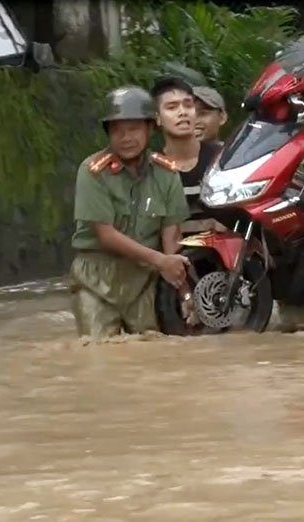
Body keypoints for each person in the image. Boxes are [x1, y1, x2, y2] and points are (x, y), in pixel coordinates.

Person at [69, 86, 192, 338]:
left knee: (154, 346)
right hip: (96, 279)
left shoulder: (166, 173)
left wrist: (185, 294)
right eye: (117, 130)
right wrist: (161, 261)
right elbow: (106, 235)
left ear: (150, 128)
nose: (126, 138)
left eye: (134, 129)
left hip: (145, 279)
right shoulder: (92, 172)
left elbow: (172, 239)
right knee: (97, 349)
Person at [151, 76, 225, 233]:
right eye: (172, 107)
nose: (182, 112)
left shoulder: (224, 158)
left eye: (188, 105)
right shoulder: (150, 169)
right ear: (157, 118)